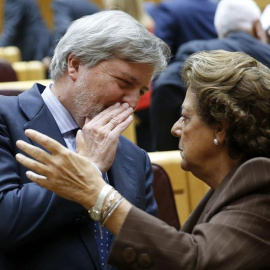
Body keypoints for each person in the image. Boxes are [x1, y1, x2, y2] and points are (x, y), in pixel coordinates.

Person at [16, 50, 270, 269]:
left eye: (185, 117)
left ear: (220, 129)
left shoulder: (260, 180)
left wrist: (96, 194)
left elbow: (195, 261)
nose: (175, 128)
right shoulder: (234, 185)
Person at [0, 10, 170, 270]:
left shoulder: (134, 157)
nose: (133, 102)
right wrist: (87, 166)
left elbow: (149, 252)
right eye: (124, 82)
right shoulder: (5, 119)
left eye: (142, 91)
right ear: (75, 65)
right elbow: (5, 224)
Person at [150, 0, 270, 151]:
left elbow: (166, 84)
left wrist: (168, 157)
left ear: (219, 31)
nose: (176, 129)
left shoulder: (198, 55)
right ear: (257, 27)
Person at [103, 0, 156, 151]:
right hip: (147, 96)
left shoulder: (113, 31)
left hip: (128, 100)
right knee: (146, 149)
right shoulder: (148, 25)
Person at [147, 0, 218, 61]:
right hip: (215, 68)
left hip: (181, 71)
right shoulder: (216, 7)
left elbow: (160, 51)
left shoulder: (168, 9)